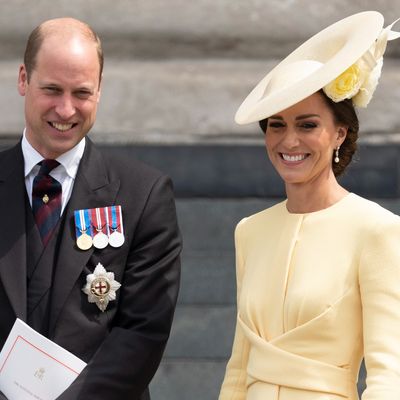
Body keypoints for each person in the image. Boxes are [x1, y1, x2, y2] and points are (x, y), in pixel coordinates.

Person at [219, 11, 400, 399]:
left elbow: (390, 377)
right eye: (277, 124)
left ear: (339, 132)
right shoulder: (250, 231)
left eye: (307, 124)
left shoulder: (377, 230)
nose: (289, 141)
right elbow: (239, 367)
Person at [0, 17, 181, 400]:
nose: (66, 110)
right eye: (51, 89)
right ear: (22, 80)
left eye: (81, 93)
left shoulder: (143, 194)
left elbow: (143, 332)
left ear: (99, 91)